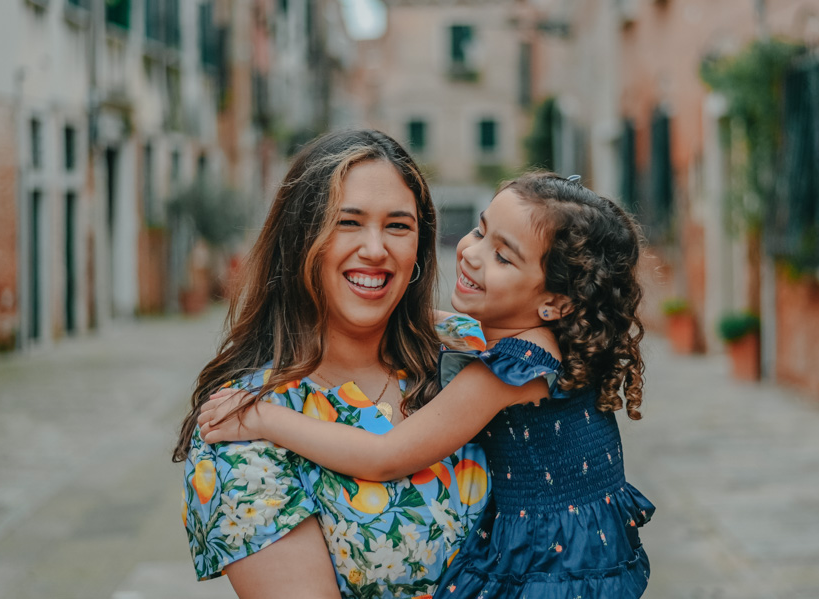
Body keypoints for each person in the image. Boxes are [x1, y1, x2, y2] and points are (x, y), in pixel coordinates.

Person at [199, 171, 655, 598]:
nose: (471, 253)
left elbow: (385, 457)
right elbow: (431, 325)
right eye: (480, 231)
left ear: (554, 302)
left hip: (549, 568)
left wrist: (262, 417)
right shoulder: (524, 338)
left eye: (502, 256)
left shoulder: (513, 369)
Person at [173, 129, 490, 598]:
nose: (376, 249)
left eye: (399, 226)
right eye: (348, 222)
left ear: (419, 248)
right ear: (300, 240)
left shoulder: (469, 349)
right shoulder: (242, 427)